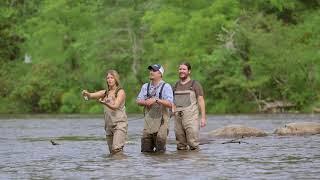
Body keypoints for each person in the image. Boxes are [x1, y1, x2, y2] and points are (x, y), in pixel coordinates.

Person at [82, 70, 127, 154]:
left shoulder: (120, 92)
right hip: (108, 126)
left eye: (112, 78)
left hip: (119, 125)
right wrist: (86, 93)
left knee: (116, 150)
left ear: (116, 79)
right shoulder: (105, 92)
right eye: (108, 78)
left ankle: (121, 167)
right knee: (112, 152)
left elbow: (115, 106)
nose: (109, 80)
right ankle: (113, 167)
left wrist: (105, 103)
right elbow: (91, 95)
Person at [136, 64, 173, 152]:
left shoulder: (166, 86)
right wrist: (146, 102)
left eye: (154, 70)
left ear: (160, 74)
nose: (151, 72)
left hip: (162, 122)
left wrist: (156, 100)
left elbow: (170, 104)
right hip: (148, 122)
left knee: (160, 149)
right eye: (150, 70)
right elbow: (138, 101)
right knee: (145, 150)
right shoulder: (145, 86)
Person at [173, 62, 206, 150]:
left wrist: (203, 118)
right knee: (180, 145)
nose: (181, 71)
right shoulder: (175, 85)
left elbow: (201, 100)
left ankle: (193, 162)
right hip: (178, 119)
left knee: (193, 143)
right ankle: (182, 162)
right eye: (180, 69)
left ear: (189, 71)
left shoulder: (195, 84)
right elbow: (172, 102)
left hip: (191, 118)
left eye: (184, 69)